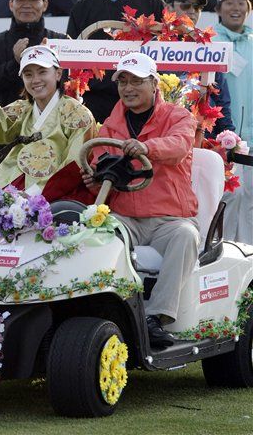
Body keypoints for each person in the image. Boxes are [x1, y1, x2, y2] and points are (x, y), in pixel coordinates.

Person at [82, 52, 200, 348]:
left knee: (186, 236)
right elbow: (99, 157)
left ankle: (155, 318)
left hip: (169, 219)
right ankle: (100, 310)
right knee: (92, 233)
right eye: (123, 81)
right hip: (125, 217)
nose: (128, 88)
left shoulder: (178, 115)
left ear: (154, 83)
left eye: (136, 81)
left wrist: (146, 148)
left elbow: (178, 146)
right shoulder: (111, 123)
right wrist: (96, 175)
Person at [0, 45, 96, 201]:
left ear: (58, 74)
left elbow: (74, 167)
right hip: (9, 182)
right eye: (28, 75)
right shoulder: (21, 110)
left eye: (42, 72)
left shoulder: (78, 115)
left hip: (53, 195)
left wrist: (33, 194)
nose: (35, 80)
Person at [67, 0, 165, 123]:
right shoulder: (82, 7)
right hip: (94, 104)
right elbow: (71, 57)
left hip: (144, 103)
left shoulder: (152, 3)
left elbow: (166, 51)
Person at [0, 0, 68, 163]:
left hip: (56, 136)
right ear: (11, 4)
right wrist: (15, 62)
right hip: (10, 141)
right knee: (10, 192)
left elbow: (70, 87)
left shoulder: (61, 42)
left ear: (45, 4)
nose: (27, 5)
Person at [165, 0, 235, 136]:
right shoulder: (154, 46)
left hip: (203, 137)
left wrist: (228, 136)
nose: (192, 11)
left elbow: (221, 100)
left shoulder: (208, 47)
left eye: (197, 7)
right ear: (168, 7)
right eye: (185, 5)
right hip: (165, 136)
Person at [213, 0, 253, 244]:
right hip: (224, 137)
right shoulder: (211, 41)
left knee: (249, 198)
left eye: (241, 2)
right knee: (229, 197)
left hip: (252, 135)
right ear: (218, 9)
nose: (235, 7)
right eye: (229, 2)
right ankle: (221, 258)